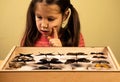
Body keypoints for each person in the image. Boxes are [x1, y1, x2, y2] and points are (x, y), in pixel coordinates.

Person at [21, 0, 85, 47]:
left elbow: (80, 64)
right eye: (39, 17)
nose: (44, 25)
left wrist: (60, 51)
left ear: (65, 16)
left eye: (50, 19)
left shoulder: (75, 37)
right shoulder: (29, 37)